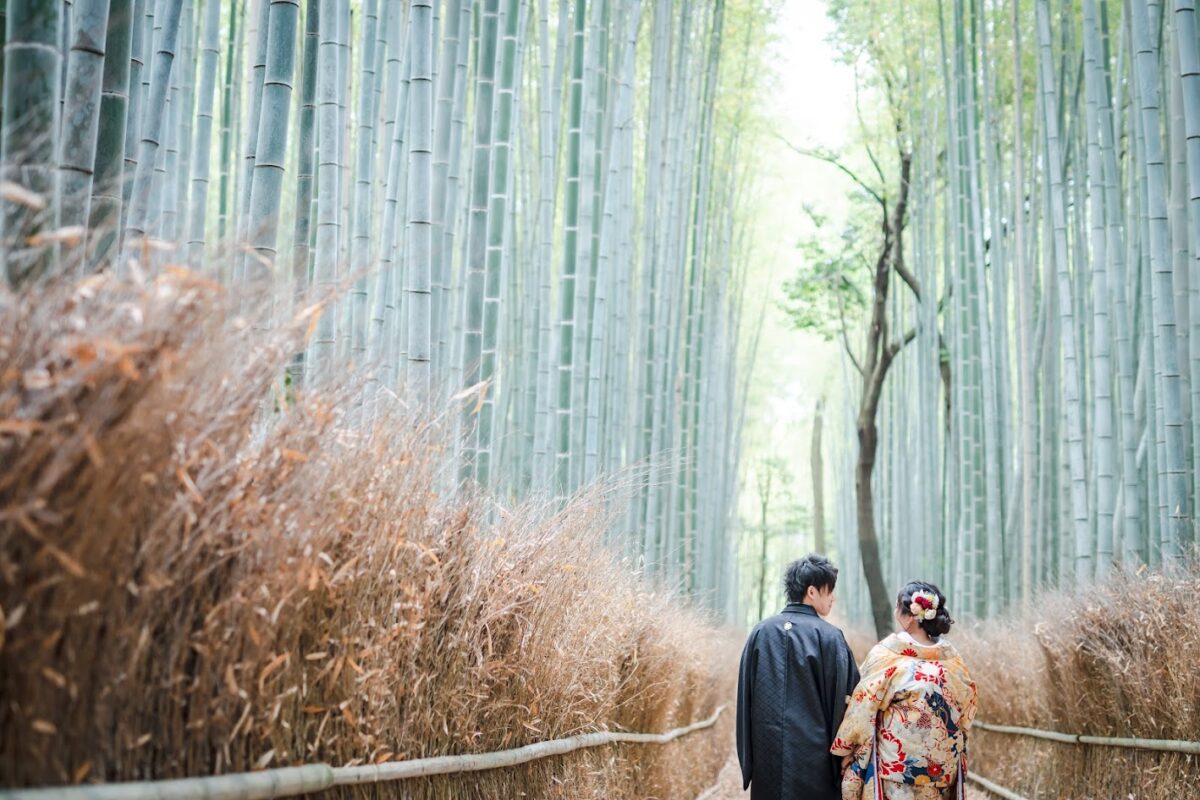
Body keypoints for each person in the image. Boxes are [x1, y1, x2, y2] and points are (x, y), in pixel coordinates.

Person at [831, 581, 977, 800]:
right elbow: (967, 712)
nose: (894, 610)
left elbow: (862, 705)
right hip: (941, 768)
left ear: (910, 616)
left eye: (898, 605)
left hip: (897, 768)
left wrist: (848, 748)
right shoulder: (953, 661)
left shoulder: (887, 655)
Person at [736, 554, 861, 800]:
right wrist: (844, 757)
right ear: (812, 592)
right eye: (829, 590)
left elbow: (745, 699)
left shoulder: (761, 632)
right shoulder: (831, 637)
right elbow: (852, 701)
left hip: (767, 754)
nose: (832, 597)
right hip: (816, 758)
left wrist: (749, 760)